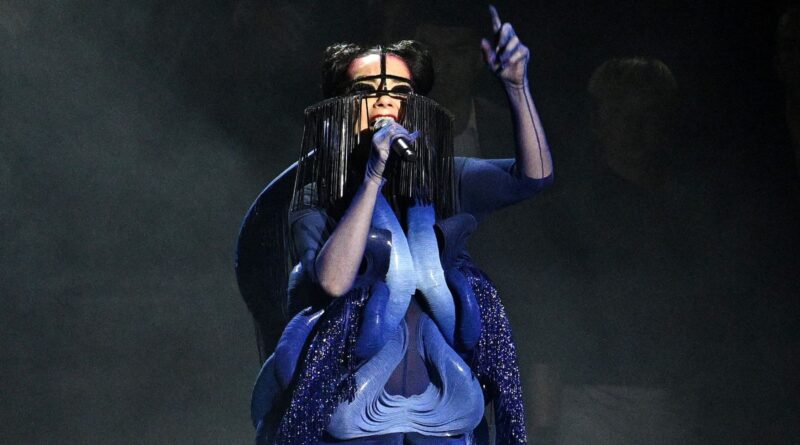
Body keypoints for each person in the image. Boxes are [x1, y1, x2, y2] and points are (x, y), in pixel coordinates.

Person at [243, 6, 552, 445]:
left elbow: (533, 178)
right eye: (366, 90)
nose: (386, 101)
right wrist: (372, 176)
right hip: (351, 416)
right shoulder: (316, 193)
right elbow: (333, 280)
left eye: (400, 91)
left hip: (439, 410)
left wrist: (517, 87)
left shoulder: (445, 179)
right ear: (340, 107)